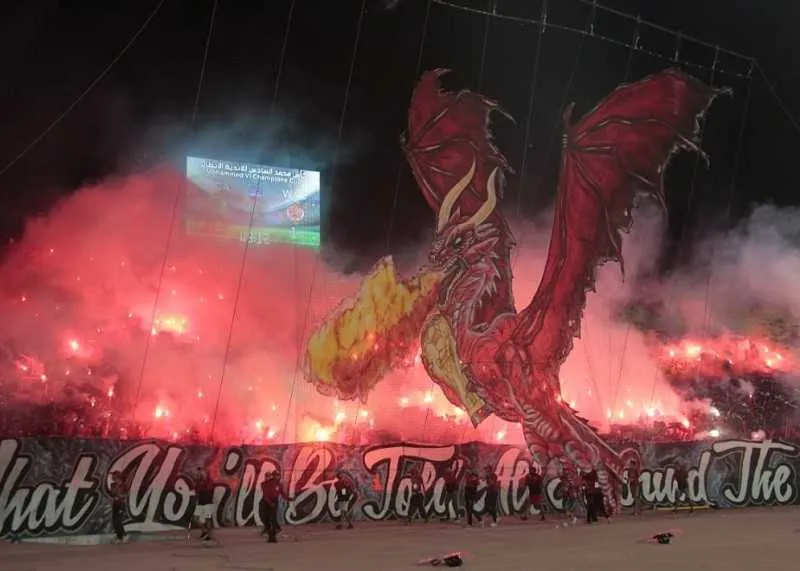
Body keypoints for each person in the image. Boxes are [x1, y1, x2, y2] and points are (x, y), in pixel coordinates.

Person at [261, 471, 287, 543]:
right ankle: (270, 533)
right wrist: (270, 503)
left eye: (278, 475)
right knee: (266, 519)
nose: (278, 477)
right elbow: (265, 495)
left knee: (273, 519)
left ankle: (272, 537)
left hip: (274, 502)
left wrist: (289, 499)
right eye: (276, 475)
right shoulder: (264, 484)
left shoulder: (279, 484)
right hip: (266, 502)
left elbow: (282, 493)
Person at [193, 468, 215, 542]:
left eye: (202, 472)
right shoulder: (198, 482)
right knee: (195, 518)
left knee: (208, 519)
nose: (200, 473)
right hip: (200, 503)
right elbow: (196, 491)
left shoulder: (209, 481)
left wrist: (201, 482)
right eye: (199, 472)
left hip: (208, 503)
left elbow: (208, 488)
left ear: (206, 473)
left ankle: (207, 534)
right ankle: (204, 531)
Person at [108, 470, 128, 543]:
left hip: (121, 504)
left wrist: (121, 496)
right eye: (113, 476)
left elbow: (127, 493)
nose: (112, 477)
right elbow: (112, 493)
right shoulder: (113, 485)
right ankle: (119, 536)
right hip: (115, 504)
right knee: (114, 521)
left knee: (118, 521)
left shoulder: (124, 485)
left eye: (114, 476)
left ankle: (123, 535)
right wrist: (116, 487)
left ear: (118, 477)